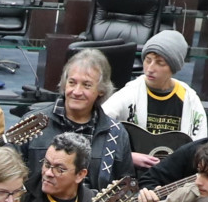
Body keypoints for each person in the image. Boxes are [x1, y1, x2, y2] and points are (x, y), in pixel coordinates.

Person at [26, 47, 132, 188]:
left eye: (86, 85)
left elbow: (126, 186)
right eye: (72, 82)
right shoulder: (33, 123)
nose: (76, 91)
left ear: (101, 90)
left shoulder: (116, 134)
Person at [101, 31, 205, 162]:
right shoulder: (130, 92)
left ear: (173, 68)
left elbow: (201, 144)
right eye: (147, 60)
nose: (150, 68)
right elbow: (99, 124)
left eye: (160, 63)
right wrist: (128, 156)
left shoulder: (189, 98)